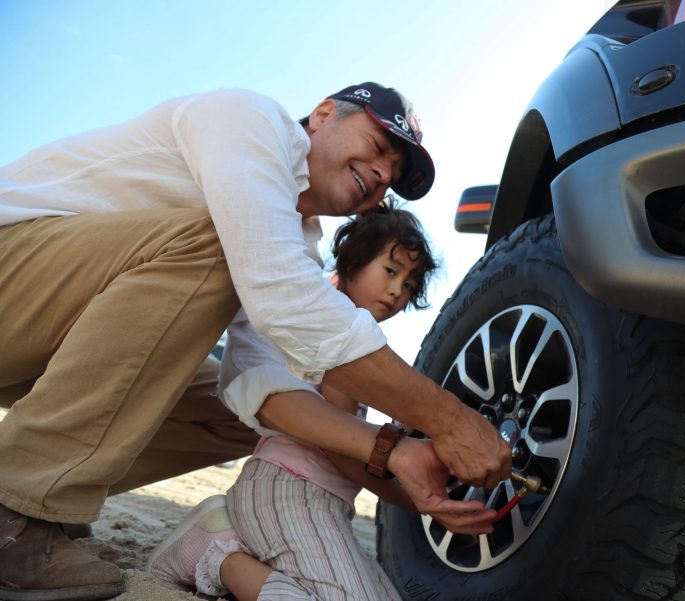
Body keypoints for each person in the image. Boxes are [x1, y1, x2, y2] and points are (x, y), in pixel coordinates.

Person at [0, 83, 511, 601]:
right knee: (220, 246)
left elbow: (260, 384)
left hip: (47, 336)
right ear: (325, 113)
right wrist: (450, 421)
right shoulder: (250, 120)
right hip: (12, 271)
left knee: (238, 410)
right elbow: (285, 298)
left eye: (393, 176)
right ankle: (17, 511)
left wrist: (397, 453)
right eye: (380, 148)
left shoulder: (292, 241)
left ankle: (45, 492)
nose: (383, 175)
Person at [149, 200, 482, 600]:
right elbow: (339, 450)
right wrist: (413, 500)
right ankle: (219, 556)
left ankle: (234, 545)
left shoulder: (346, 335)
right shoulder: (341, 333)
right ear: (352, 262)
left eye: (409, 284)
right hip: (287, 491)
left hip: (320, 504)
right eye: (390, 271)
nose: (397, 291)